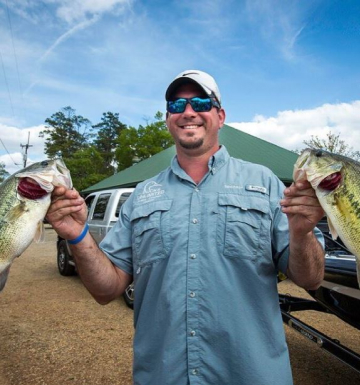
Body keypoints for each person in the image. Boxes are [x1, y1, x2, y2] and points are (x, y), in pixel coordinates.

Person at [46, 70, 325, 385]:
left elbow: (310, 278)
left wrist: (301, 234)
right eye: (177, 106)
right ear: (168, 120)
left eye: (201, 102)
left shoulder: (266, 184)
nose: (188, 112)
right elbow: (105, 290)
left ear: (220, 116)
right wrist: (77, 235)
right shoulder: (141, 197)